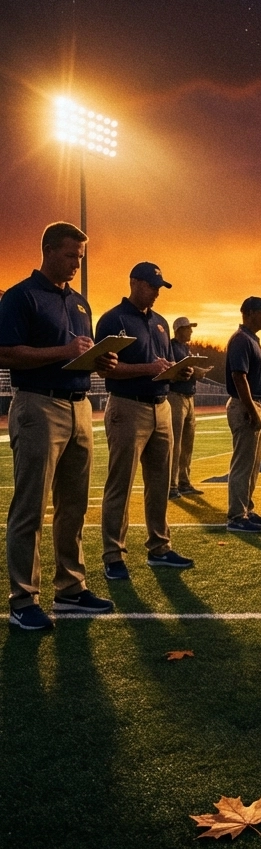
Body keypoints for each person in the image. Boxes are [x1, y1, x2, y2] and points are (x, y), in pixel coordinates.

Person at [0, 223, 119, 629]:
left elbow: (77, 354)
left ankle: (70, 588)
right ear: (48, 250)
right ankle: (22, 599)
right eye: (71, 256)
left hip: (80, 405)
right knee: (30, 506)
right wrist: (64, 352)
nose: (75, 264)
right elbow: (6, 353)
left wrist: (101, 361)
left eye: (80, 258)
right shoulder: (21, 296)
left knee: (74, 505)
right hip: (38, 405)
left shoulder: (81, 302)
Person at [95, 263, 195, 579]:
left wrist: (180, 371)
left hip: (161, 406)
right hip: (127, 407)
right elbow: (105, 370)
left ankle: (159, 548)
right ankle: (113, 555)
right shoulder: (113, 319)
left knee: (160, 482)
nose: (155, 292)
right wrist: (147, 369)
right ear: (135, 283)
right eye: (152, 286)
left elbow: (161, 365)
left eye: (159, 287)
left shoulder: (162, 323)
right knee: (120, 484)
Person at [224, 297, 261, 533]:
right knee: (243, 464)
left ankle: (245, 509)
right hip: (246, 405)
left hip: (255, 404)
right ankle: (237, 516)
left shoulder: (250, 340)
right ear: (250, 313)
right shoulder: (241, 340)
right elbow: (239, 376)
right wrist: (251, 409)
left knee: (253, 465)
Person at [168, 316, 210, 499]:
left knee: (187, 444)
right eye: (188, 328)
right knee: (175, 444)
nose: (191, 331)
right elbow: (170, 370)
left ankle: (184, 482)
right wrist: (193, 372)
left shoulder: (185, 348)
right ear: (179, 330)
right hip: (175, 396)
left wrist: (197, 372)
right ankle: (171, 485)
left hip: (188, 396)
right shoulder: (171, 347)